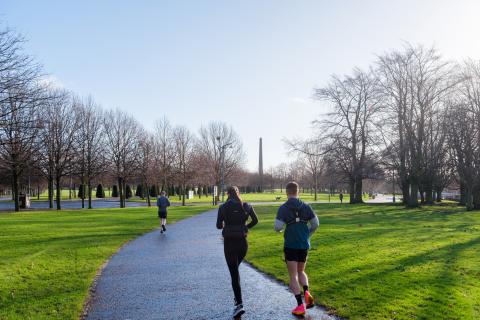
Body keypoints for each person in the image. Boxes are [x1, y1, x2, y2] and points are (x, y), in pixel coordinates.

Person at [274, 181, 319, 317]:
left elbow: (278, 227)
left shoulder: (283, 208)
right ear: (298, 191)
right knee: (301, 271)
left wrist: (282, 230)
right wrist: (307, 234)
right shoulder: (306, 206)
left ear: (287, 192)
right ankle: (307, 292)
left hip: (291, 245)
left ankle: (300, 306)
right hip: (304, 244)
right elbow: (316, 224)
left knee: (293, 275)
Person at [216, 186, 258, 318]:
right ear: (238, 193)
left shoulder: (223, 207)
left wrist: (225, 224)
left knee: (234, 274)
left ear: (227, 194)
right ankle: (238, 302)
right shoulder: (246, 205)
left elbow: (218, 225)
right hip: (242, 244)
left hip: (229, 243)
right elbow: (256, 220)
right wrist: (245, 227)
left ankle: (239, 304)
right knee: (235, 271)